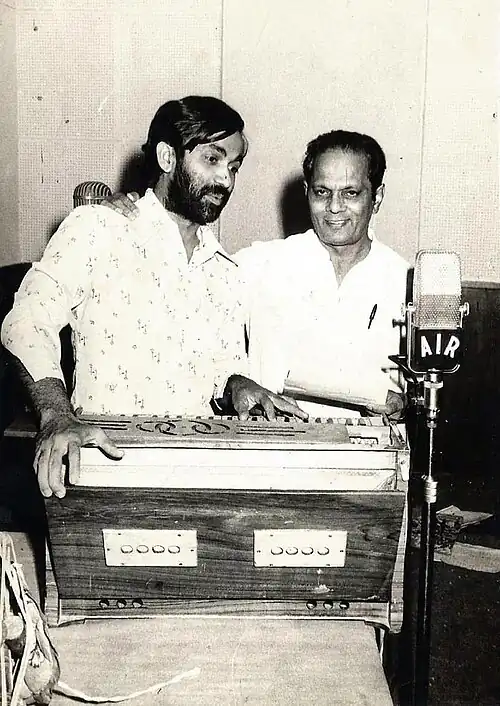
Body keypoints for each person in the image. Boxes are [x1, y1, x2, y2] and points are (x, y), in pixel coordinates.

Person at [1, 95, 305, 500]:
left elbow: (220, 369)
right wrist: (56, 415)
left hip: (197, 481)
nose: (226, 180)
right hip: (106, 472)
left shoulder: (225, 271)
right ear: (167, 157)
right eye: (212, 159)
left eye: (233, 167)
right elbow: (26, 322)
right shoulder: (98, 229)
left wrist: (237, 384)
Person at [109, 129, 410, 420]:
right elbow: (175, 279)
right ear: (307, 192)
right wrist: (124, 214)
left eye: (350, 193)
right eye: (322, 192)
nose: (334, 207)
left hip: (373, 449)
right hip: (274, 447)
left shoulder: (406, 283)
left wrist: (406, 406)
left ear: (377, 197)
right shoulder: (260, 264)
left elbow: (424, 394)